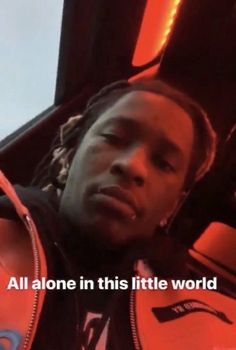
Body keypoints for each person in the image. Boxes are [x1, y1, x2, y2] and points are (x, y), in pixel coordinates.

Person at [1, 78, 235, 350]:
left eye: (163, 163)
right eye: (113, 138)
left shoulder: (203, 317)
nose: (132, 166)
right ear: (71, 155)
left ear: (173, 204)